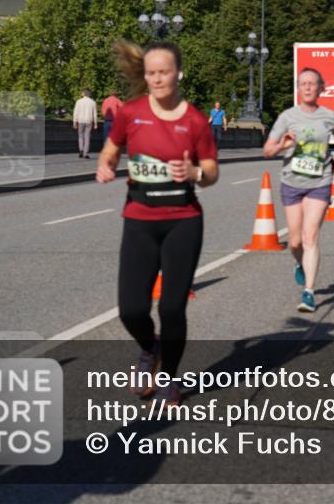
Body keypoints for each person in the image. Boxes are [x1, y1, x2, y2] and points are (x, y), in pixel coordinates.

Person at [96, 41, 219, 406]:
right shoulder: (131, 113)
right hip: (139, 220)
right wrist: (106, 164)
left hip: (183, 221)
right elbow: (111, 148)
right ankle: (150, 349)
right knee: (131, 310)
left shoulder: (194, 119)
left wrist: (195, 172)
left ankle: (168, 379)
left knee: (171, 309)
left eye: (164, 72)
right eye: (151, 73)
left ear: (178, 73)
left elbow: (212, 171)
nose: (157, 79)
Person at [265, 68, 334, 313]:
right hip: (292, 183)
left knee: (310, 236)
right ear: (298, 88)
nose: (308, 87)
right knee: (295, 241)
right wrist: (282, 145)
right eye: (304, 83)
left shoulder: (329, 116)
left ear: (321, 88)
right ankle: (299, 263)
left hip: (319, 182)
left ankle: (309, 292)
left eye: (313, 83)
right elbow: (267, 150)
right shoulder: (287, 117)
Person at [73, 88, 98, 159]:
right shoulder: (93, 102)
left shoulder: (78, 101)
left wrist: (74, 122)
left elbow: (76, 112)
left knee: (80, 136)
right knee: (87, 137)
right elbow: (94, 114)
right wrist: (95, 124)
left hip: (80, 121)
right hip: (89, 121)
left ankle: (81, 150)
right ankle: (85, 153)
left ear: (84, 94)